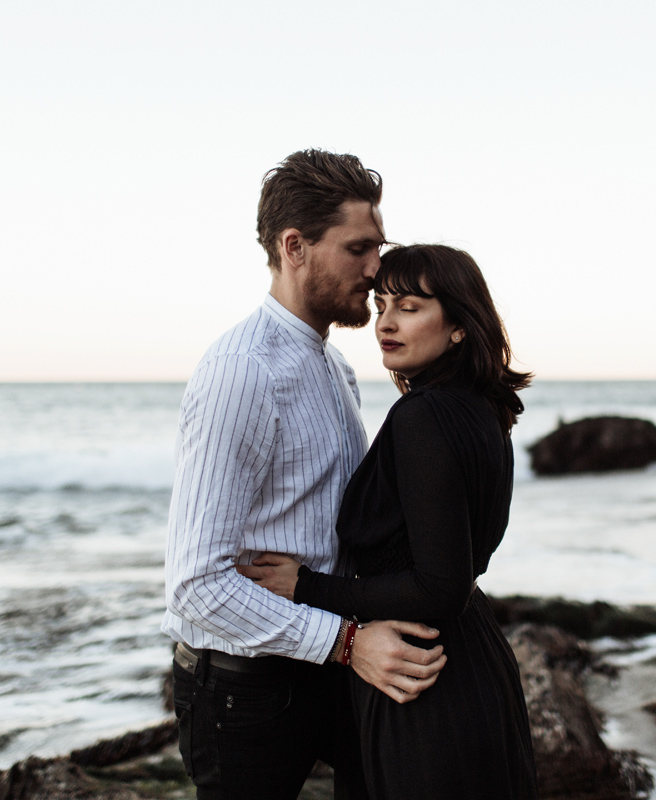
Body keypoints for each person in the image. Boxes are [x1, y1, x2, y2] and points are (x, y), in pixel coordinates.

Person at [162, 150, 448, 800]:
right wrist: (347, 643)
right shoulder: (243, 371)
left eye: (380, 247)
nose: (377, 270)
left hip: (331, 665)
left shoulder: (335, 368)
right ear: (295, 246)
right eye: (359, 249)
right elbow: (196, 585)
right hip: (245, 688)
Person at [239, 244, 540, 799]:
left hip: (423, 678)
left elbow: (439, 587)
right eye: (380, 306)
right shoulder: (482, 411)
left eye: (408, 307)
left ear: (458, 325)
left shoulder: (423, 416)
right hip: (467, 663)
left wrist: (305, 586)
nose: (386, 323)